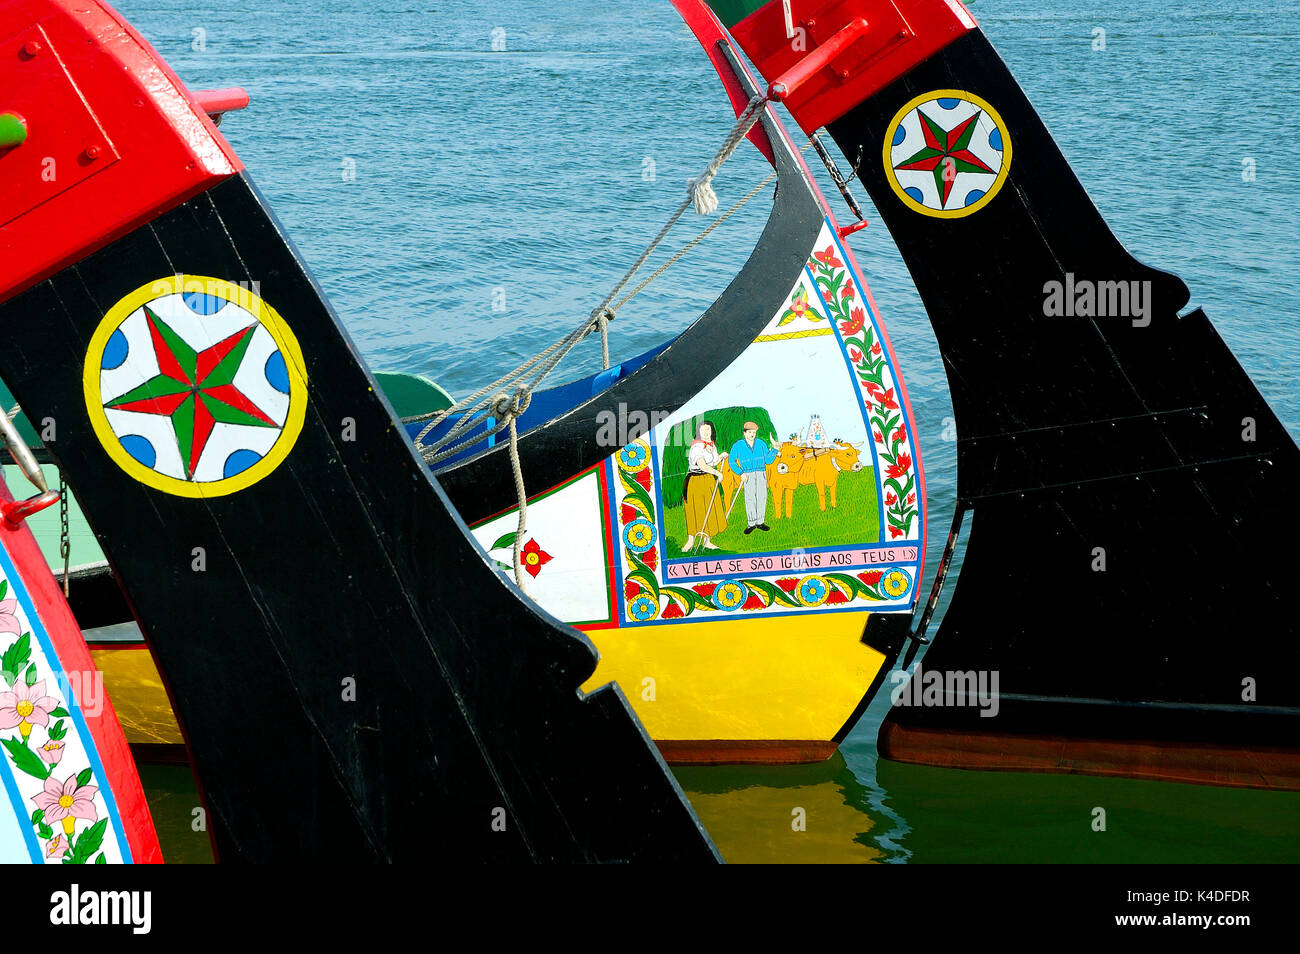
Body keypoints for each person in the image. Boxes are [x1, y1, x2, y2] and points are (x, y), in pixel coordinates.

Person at [682, 420, 727, 551]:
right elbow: (702, 465)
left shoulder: (712, 445)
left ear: (712, 431)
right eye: (703, 430)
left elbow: (712, 462)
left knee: (710, 508)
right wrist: (717, 473)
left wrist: (720, 457)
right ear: (698, 433)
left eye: (708, 429)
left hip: (708, 480)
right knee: (695, 510)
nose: (706, 432)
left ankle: (707, 541)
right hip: (696, 481)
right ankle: (691, 541)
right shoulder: (696, 447)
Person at [728, 420, 778, 534]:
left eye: (754, 432)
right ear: (744, 433)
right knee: (750, 498)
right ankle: (751, 523)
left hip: (761, 473)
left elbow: (768, 460)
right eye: (750, 432)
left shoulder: (761, 443)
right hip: (747, 475)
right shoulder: (738, 445)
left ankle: (760, 522)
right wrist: (741, 473)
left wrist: (774, 449)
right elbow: (731, 461)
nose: (752, 435)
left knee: (762, 497)